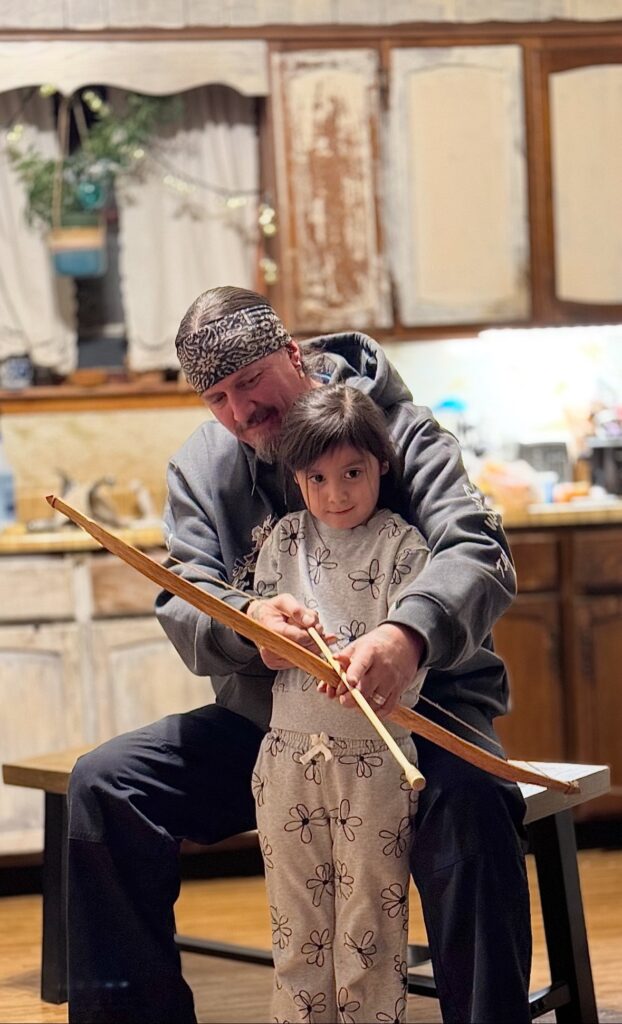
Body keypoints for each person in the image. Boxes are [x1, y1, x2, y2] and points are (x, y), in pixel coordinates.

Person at [66, 285, 531, 1024]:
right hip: (275, 732)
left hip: (420, 718)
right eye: (217, 398)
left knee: (475, 805)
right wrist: (247, 622)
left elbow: (478, 550)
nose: (240, 411)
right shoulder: (202, 467)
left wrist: (405, 635)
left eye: (250, 381)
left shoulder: (402, 432)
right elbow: (184, 594)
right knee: (108, 785)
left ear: (293, 354)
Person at [250, 384, 429, 1022]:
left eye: (352, 473)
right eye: (317, 479)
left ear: (381, 463)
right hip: (286, 762)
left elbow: (410, 669)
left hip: (375, 766)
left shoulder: (404, 548)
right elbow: (264, 647)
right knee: (294, 930)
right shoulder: (282, 541)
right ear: (297, 479)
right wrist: (274, 644)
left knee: (369, 931)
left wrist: (365, 671)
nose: (336, 494)